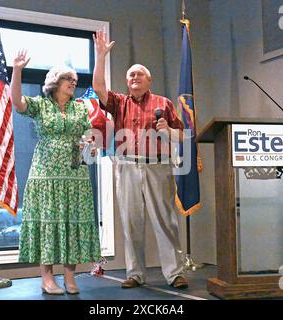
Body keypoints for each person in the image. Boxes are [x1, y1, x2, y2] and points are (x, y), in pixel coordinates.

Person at [92, 31, 188, 289]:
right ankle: (135, 273)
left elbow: (184, 137)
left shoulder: (164, 103)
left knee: (166, 222)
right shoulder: (119, 102)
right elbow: (99, 87)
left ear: (149, 79)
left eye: (139, 74)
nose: (134, 77)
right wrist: (100, 56)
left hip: (158, 166)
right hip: (127, 166)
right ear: (126, 82)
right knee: (131, 221)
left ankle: (174, 273)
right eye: (130, 75)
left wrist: (168, 131)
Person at [10, 50, 101, 295]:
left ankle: (70, 277)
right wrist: (17, 70)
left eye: (74, 80)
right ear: (55, 83)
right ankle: (47, 278)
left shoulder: (80, 108)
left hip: (75, 175)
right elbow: (17, 102)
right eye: (68, 79)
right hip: (46, 175)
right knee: (47, 223)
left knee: (72, 223)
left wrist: (89, 145)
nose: (73, 83)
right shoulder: (40, 105)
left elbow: (89, 136)